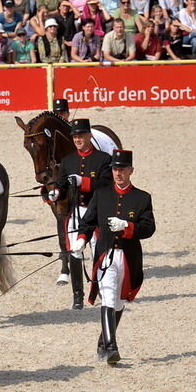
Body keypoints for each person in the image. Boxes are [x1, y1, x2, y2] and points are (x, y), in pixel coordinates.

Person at [71, 149, 155, 365]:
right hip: (105, 255)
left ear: (131, 171)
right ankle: (111, 348)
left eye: (122, 169)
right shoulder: (101, 195)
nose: (118, 173)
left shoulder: (142, 198)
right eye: (116, 169)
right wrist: (81, 239)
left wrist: (128, 226)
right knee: (107, 296)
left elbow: (148, 228)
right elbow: (88, 222)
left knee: (118, 302)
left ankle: (102, 340)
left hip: (128, 258)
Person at [47, 118, 113, 310]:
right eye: (75, 137)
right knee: (75, 251)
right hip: (77, 211)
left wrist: (83, 182)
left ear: (89, 136)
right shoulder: (68, 161)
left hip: (97, 212)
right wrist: (56, 193)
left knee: (97, 252)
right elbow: (61, 184)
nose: (78, 139)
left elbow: (106, 185)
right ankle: (77, 296)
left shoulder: (103, 159)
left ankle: (101, 289)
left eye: (81, 136)